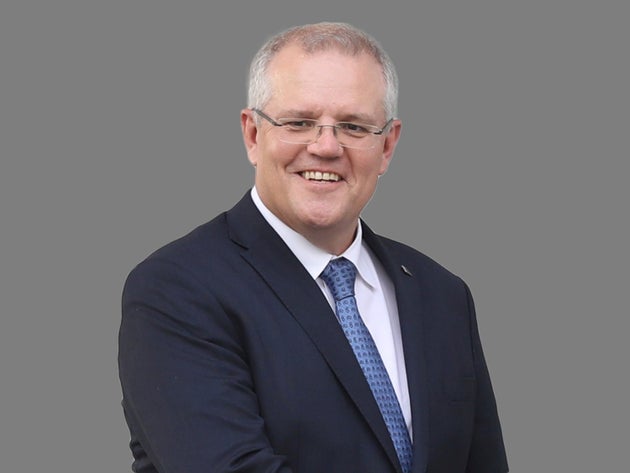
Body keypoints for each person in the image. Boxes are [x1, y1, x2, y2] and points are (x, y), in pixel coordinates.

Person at [118, 22, 508, 473]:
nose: (326, 147)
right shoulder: (177, 289)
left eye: (353, 126)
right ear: (252, 134)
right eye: (299, 122)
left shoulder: (442, 295)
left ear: (387, 146)